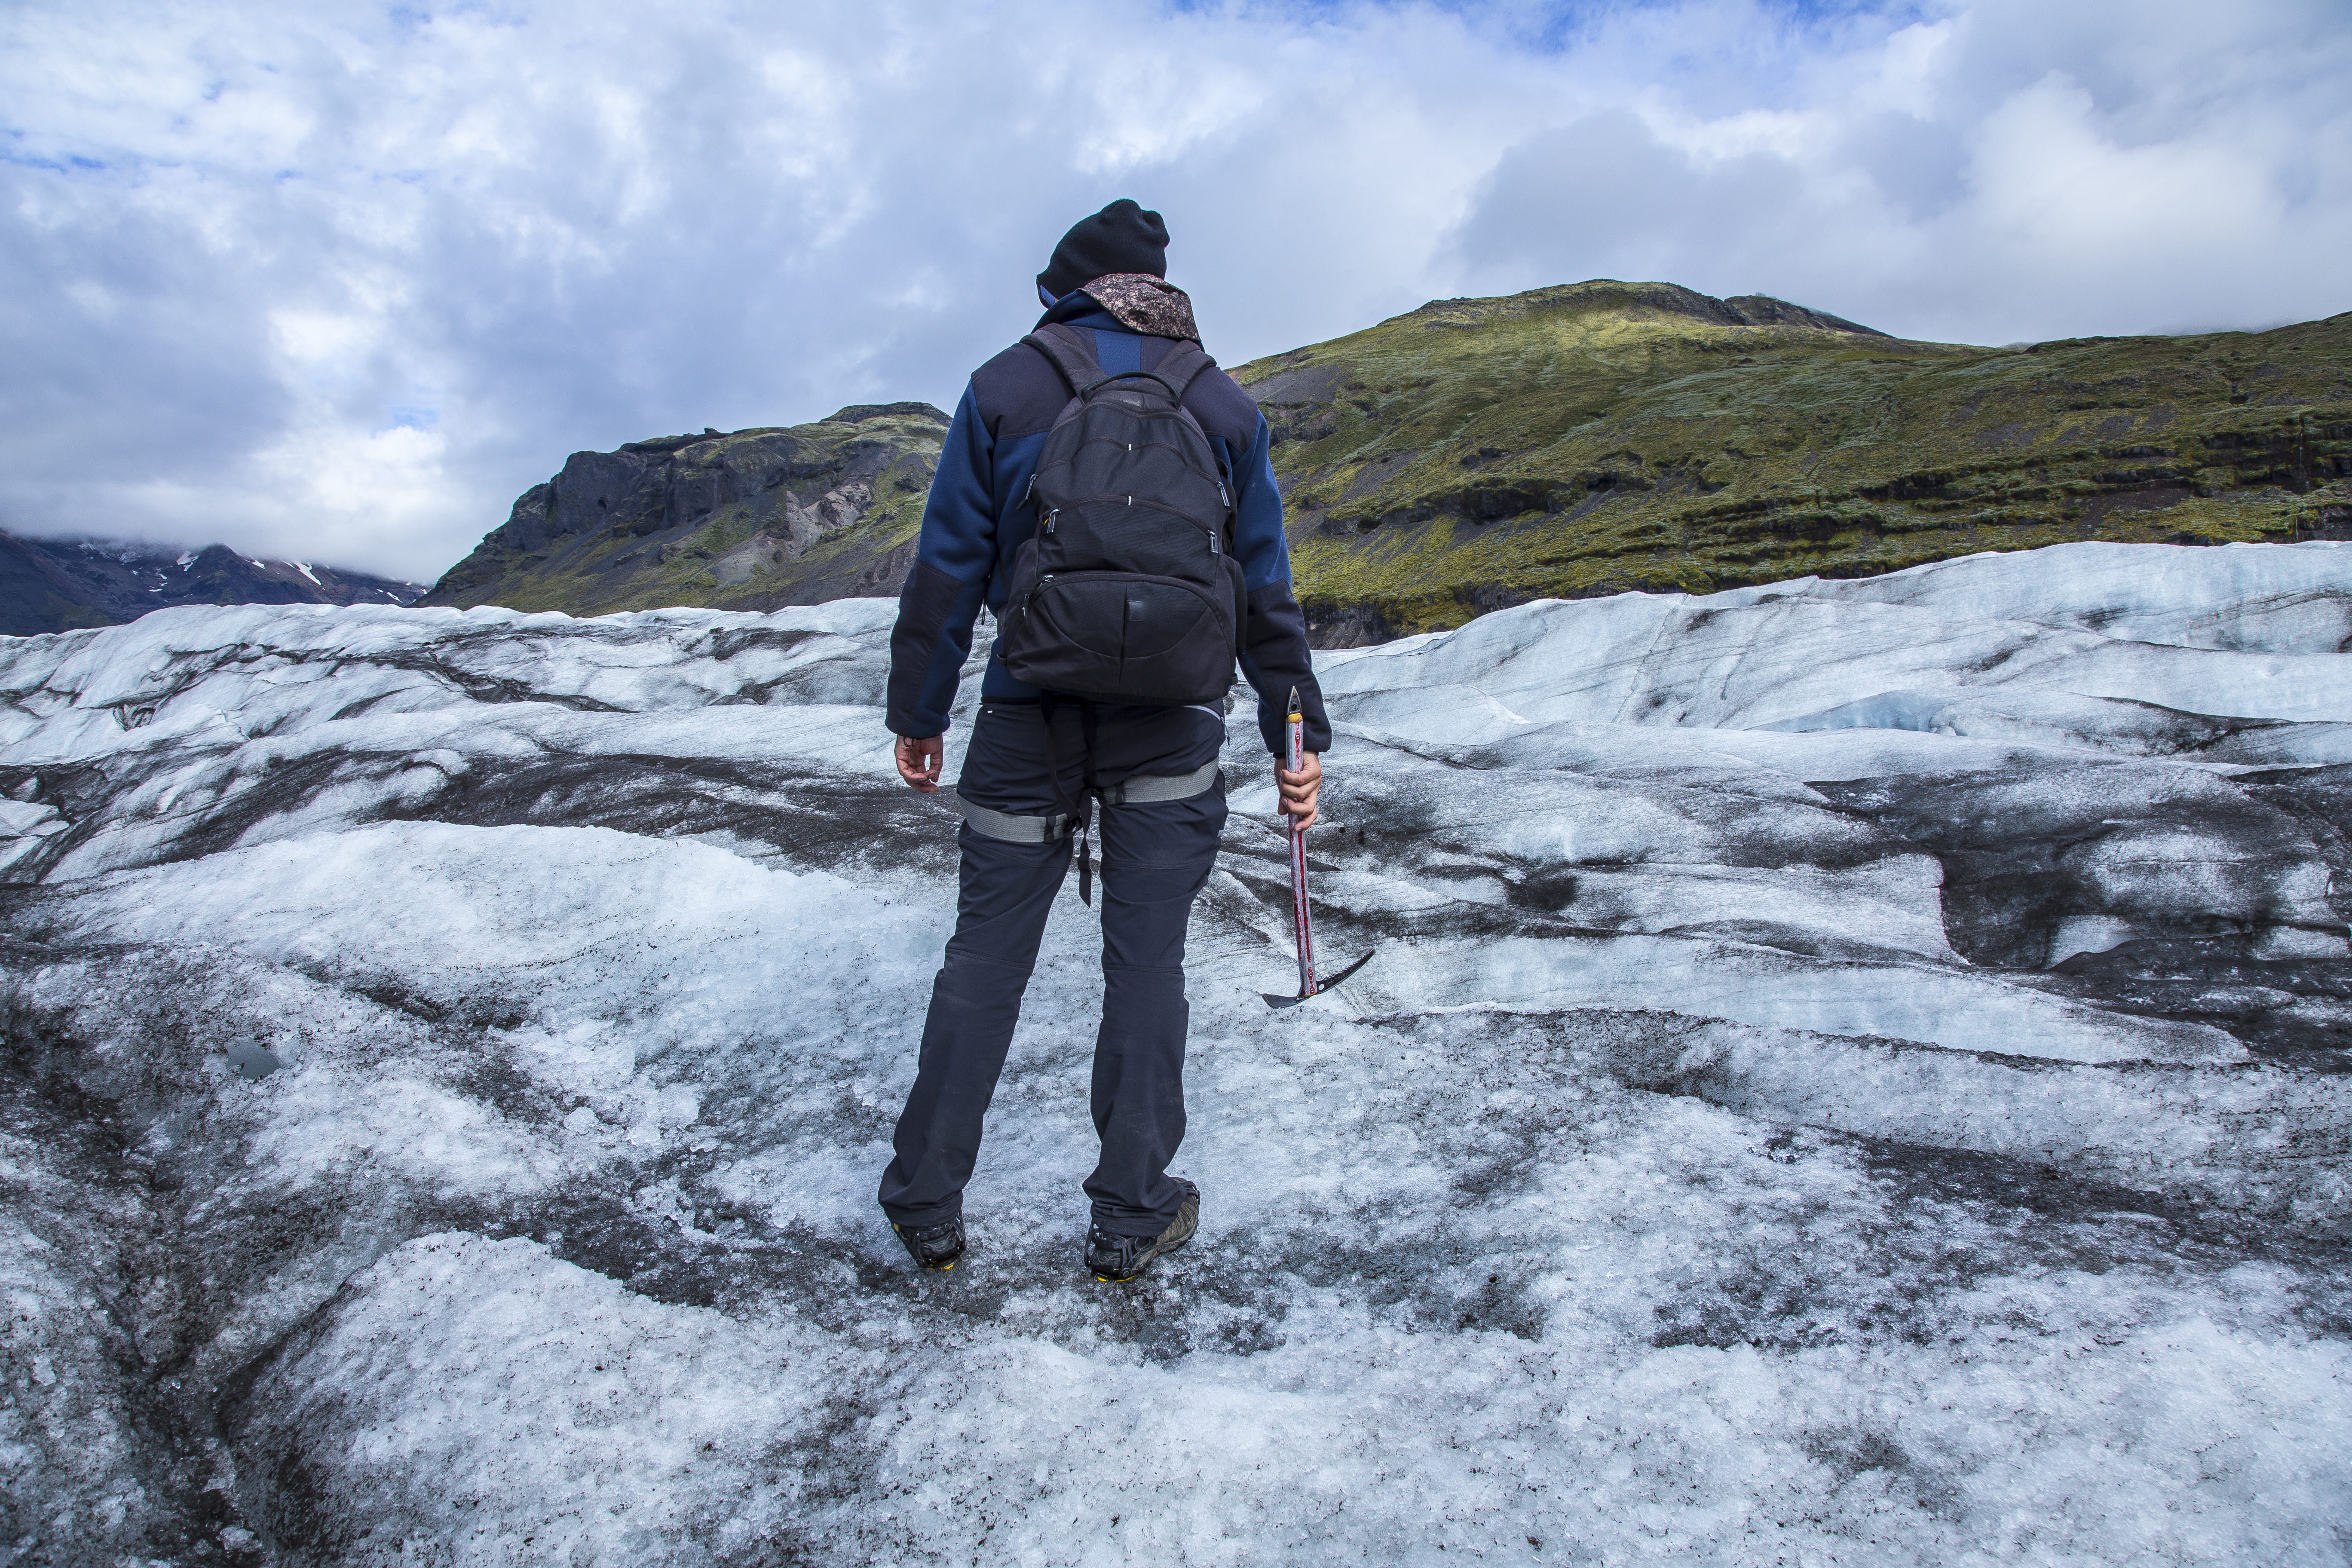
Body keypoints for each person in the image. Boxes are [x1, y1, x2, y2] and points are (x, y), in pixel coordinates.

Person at [879, 198, 1332, 1283]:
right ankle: (1131, 1213)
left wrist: (919, 711)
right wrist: (1295, 733)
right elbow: (1264, 584)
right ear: (1161, 292)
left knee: (984, 957)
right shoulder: (1223, 405)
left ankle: (927, 1201)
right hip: (1172, 728)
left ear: (1068, 289)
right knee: (1148, 968)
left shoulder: (1006, 384)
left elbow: (947, 565)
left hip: (1027, 711)